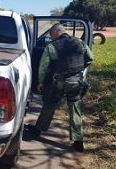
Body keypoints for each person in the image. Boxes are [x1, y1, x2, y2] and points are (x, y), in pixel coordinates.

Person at [27, 23, 94, 152]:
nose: (51, 37)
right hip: (77, 81)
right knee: (75, 109)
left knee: (49, 103)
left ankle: (37, 130)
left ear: (56, 32)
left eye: (51, 34)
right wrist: (78, 69)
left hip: (60, 83)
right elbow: (90, 58)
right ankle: (78, 141)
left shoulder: (51, 46)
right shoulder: (79, 42)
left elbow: (43, 66)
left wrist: (40, 82)